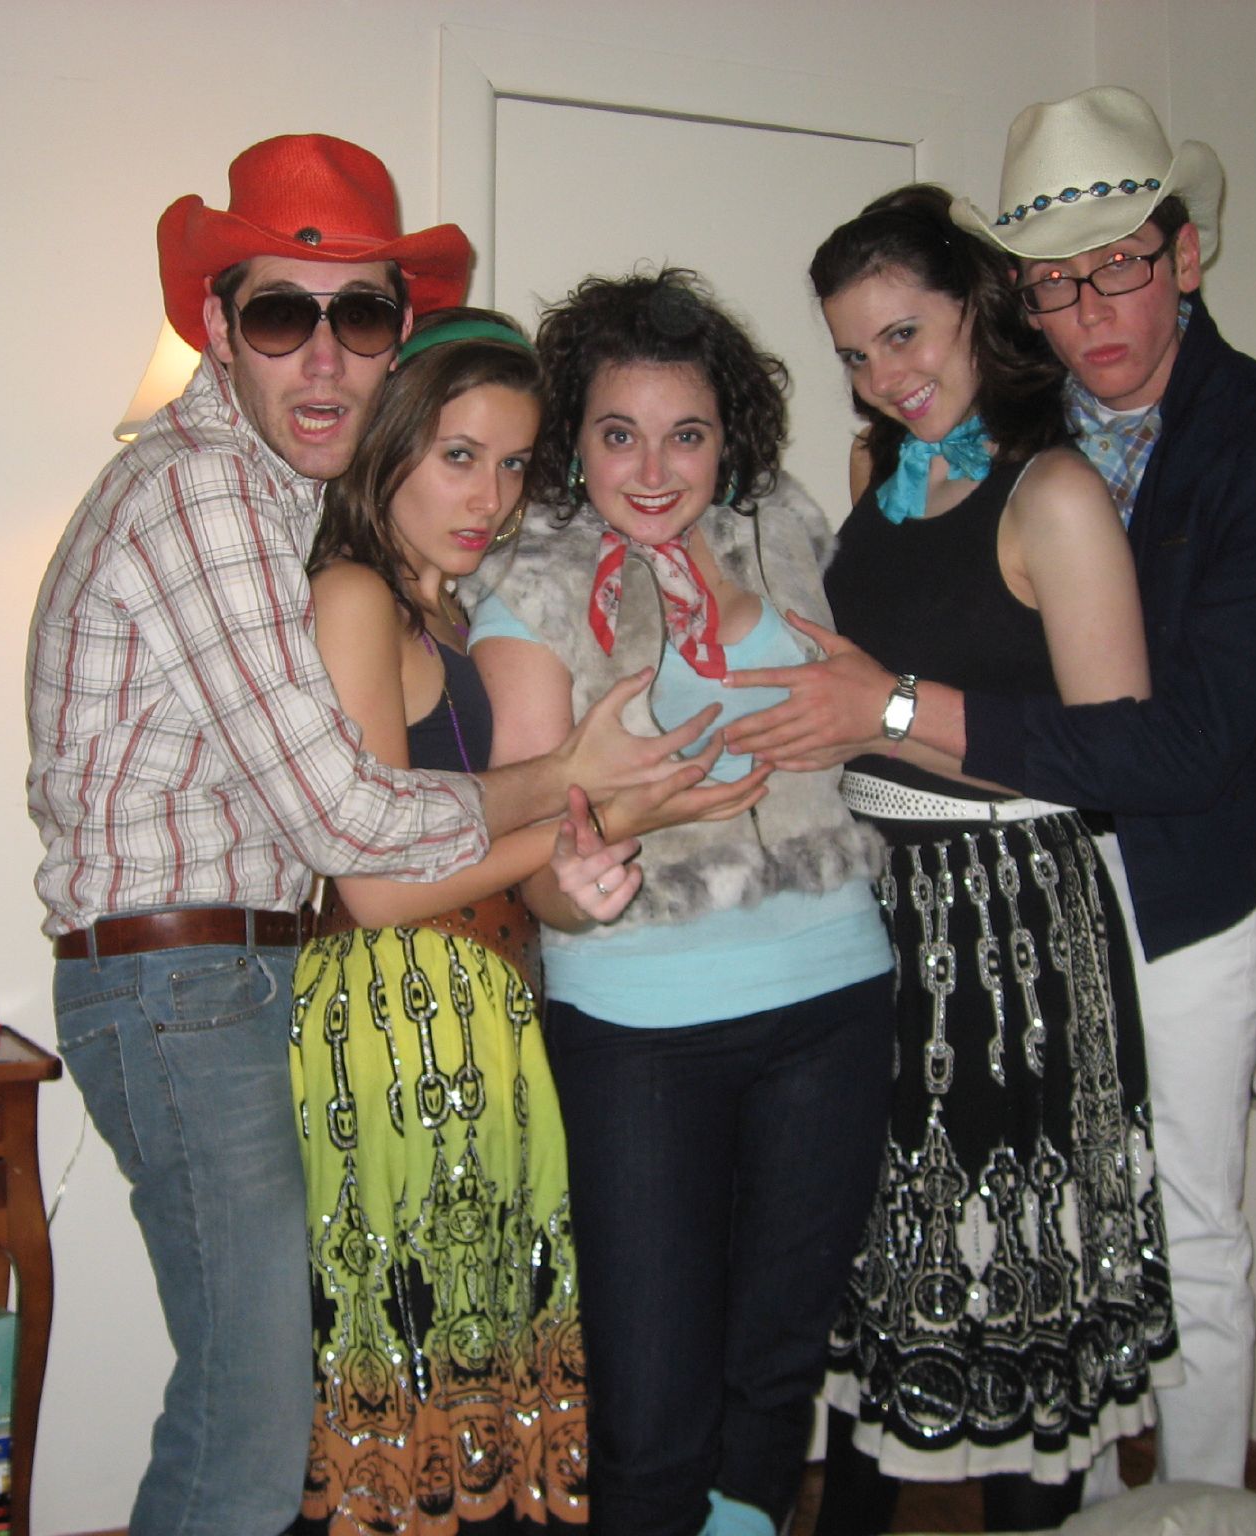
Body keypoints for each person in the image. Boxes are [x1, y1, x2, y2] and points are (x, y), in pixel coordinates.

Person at [25, 138, 714, 1536]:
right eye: (284, 314)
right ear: (217, 328)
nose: (324, 357)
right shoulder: (201, 497)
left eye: (359, 316)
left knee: (272, 1402)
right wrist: (571, 785)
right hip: (181, 984)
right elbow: (353, 825)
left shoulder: (288, 511)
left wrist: (575, 805)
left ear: (394, 335)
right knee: (252, 1409)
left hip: (226, 980)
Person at [735, 88, 1256, 1492]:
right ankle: (1051, 1488)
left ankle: (1188, 1516)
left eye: (1123, 263)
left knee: (1181, 1224)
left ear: (1183, 254)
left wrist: (888, 709)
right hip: (986, 895)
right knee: (1022, 1228)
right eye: (1057, 282)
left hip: (1181, 873)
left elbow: (1176, 745)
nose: (1093, 311)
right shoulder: (967, 426)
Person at [720, 184, 1175, 1533]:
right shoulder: (877, 491)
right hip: (883, 920)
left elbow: (1113, 760)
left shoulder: (1059, 494)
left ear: (979, 308)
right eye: (856, 354)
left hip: (1016, 921)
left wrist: (889, 709)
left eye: (907, 336)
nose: (887, 378)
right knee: (880, 1285)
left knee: (1009, 1300)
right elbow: (846, 701)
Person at [289, 308, 768, 1534]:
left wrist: (636, 808)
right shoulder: (354, 595)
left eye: (512, 467)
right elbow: (372, 886)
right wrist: (591, 790)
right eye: (458, 457)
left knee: (473, 1400)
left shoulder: (443, 614)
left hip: (483, 1016)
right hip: (395, 1024)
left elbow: (500, 849)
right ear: (390, 445)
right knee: (401, 1396)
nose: (489, 499)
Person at [467, 271, 896, 1536]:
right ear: (572, 440)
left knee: (772, 1381)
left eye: (687, 433)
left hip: (834, 1000)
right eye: (617, 433)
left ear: (731, 438)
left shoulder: (793, 534)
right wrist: (575, 886)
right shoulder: (532, 582)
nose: (653, 468)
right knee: (651, 1414)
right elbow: (532, 833)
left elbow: (879, 704)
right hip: (640, 1028)